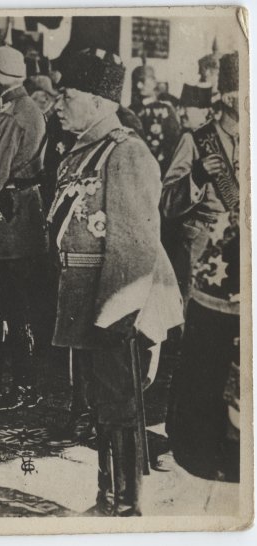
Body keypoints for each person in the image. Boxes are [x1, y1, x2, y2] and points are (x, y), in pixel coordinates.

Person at [49, 48, 182, 515]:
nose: (57, 105)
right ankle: (106, 497)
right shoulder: (85, 150)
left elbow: (134, 245)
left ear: (99, 101)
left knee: (121, 407)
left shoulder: (126, 152)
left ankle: (126, 508)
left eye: (66, 95)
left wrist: (119, 315)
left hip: (116, 305)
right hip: (88, 301)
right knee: (101, 404)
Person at [166, 52, 240, 483]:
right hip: (206, 264)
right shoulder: (199, 140)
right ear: (229, 96)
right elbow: (167, 201)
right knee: (203, 355)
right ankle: (197, 446)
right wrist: (196, 176)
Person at [0, 45, 48, 411]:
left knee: (4, 304)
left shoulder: (9, 115)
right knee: (20, 303)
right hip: (27, 213)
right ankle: (24, 384)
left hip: (5, 218)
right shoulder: (32, 108)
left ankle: (21, 385)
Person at [160, 82, 215, 298]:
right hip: (203, 236)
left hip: (196, 239)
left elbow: (167, 200)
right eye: (181, 106)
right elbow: (169, 199)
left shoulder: (191, 139)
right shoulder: (194, 138)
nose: (180, 112)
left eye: (187, 107)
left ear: (204, 111)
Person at [130, 64, 181, 174]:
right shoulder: (130, 111)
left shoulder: (166, 109)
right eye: (151, 78)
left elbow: (174, 138)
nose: (139, 85)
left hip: (163, 166)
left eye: (153, 78)